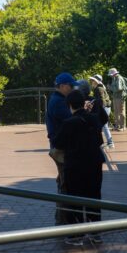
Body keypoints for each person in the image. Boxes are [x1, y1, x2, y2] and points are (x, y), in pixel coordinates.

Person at [54, 90, 105, 245]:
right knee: (94, 196)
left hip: (75, 165)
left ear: (69, 105)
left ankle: (76, 235)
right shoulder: (94, 119)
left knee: (74, 198)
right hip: (94, 163)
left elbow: (58, 142)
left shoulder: (69, 123)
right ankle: (95, 232)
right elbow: (101, 135)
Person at [45, 72, 77, 225]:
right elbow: (71, 119)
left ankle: (62, 218)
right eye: (71, 86)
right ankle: (64, 221)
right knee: (65, 184)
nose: (73, 88)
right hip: (61, 148)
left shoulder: (58, 100)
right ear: (63, 86)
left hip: (60, 146)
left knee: (64, 181)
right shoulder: (58, 102)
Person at [89, 75, 114, 148]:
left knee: (104, 126)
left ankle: (110, 143)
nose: (91, 82)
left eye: (93, 81)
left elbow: (101, 100)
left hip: (104, 108)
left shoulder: (99, 88)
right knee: (103, 126)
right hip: (105, 108)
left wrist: (99, 110)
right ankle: (108, 142)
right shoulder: (100, 87)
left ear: (96, 81)